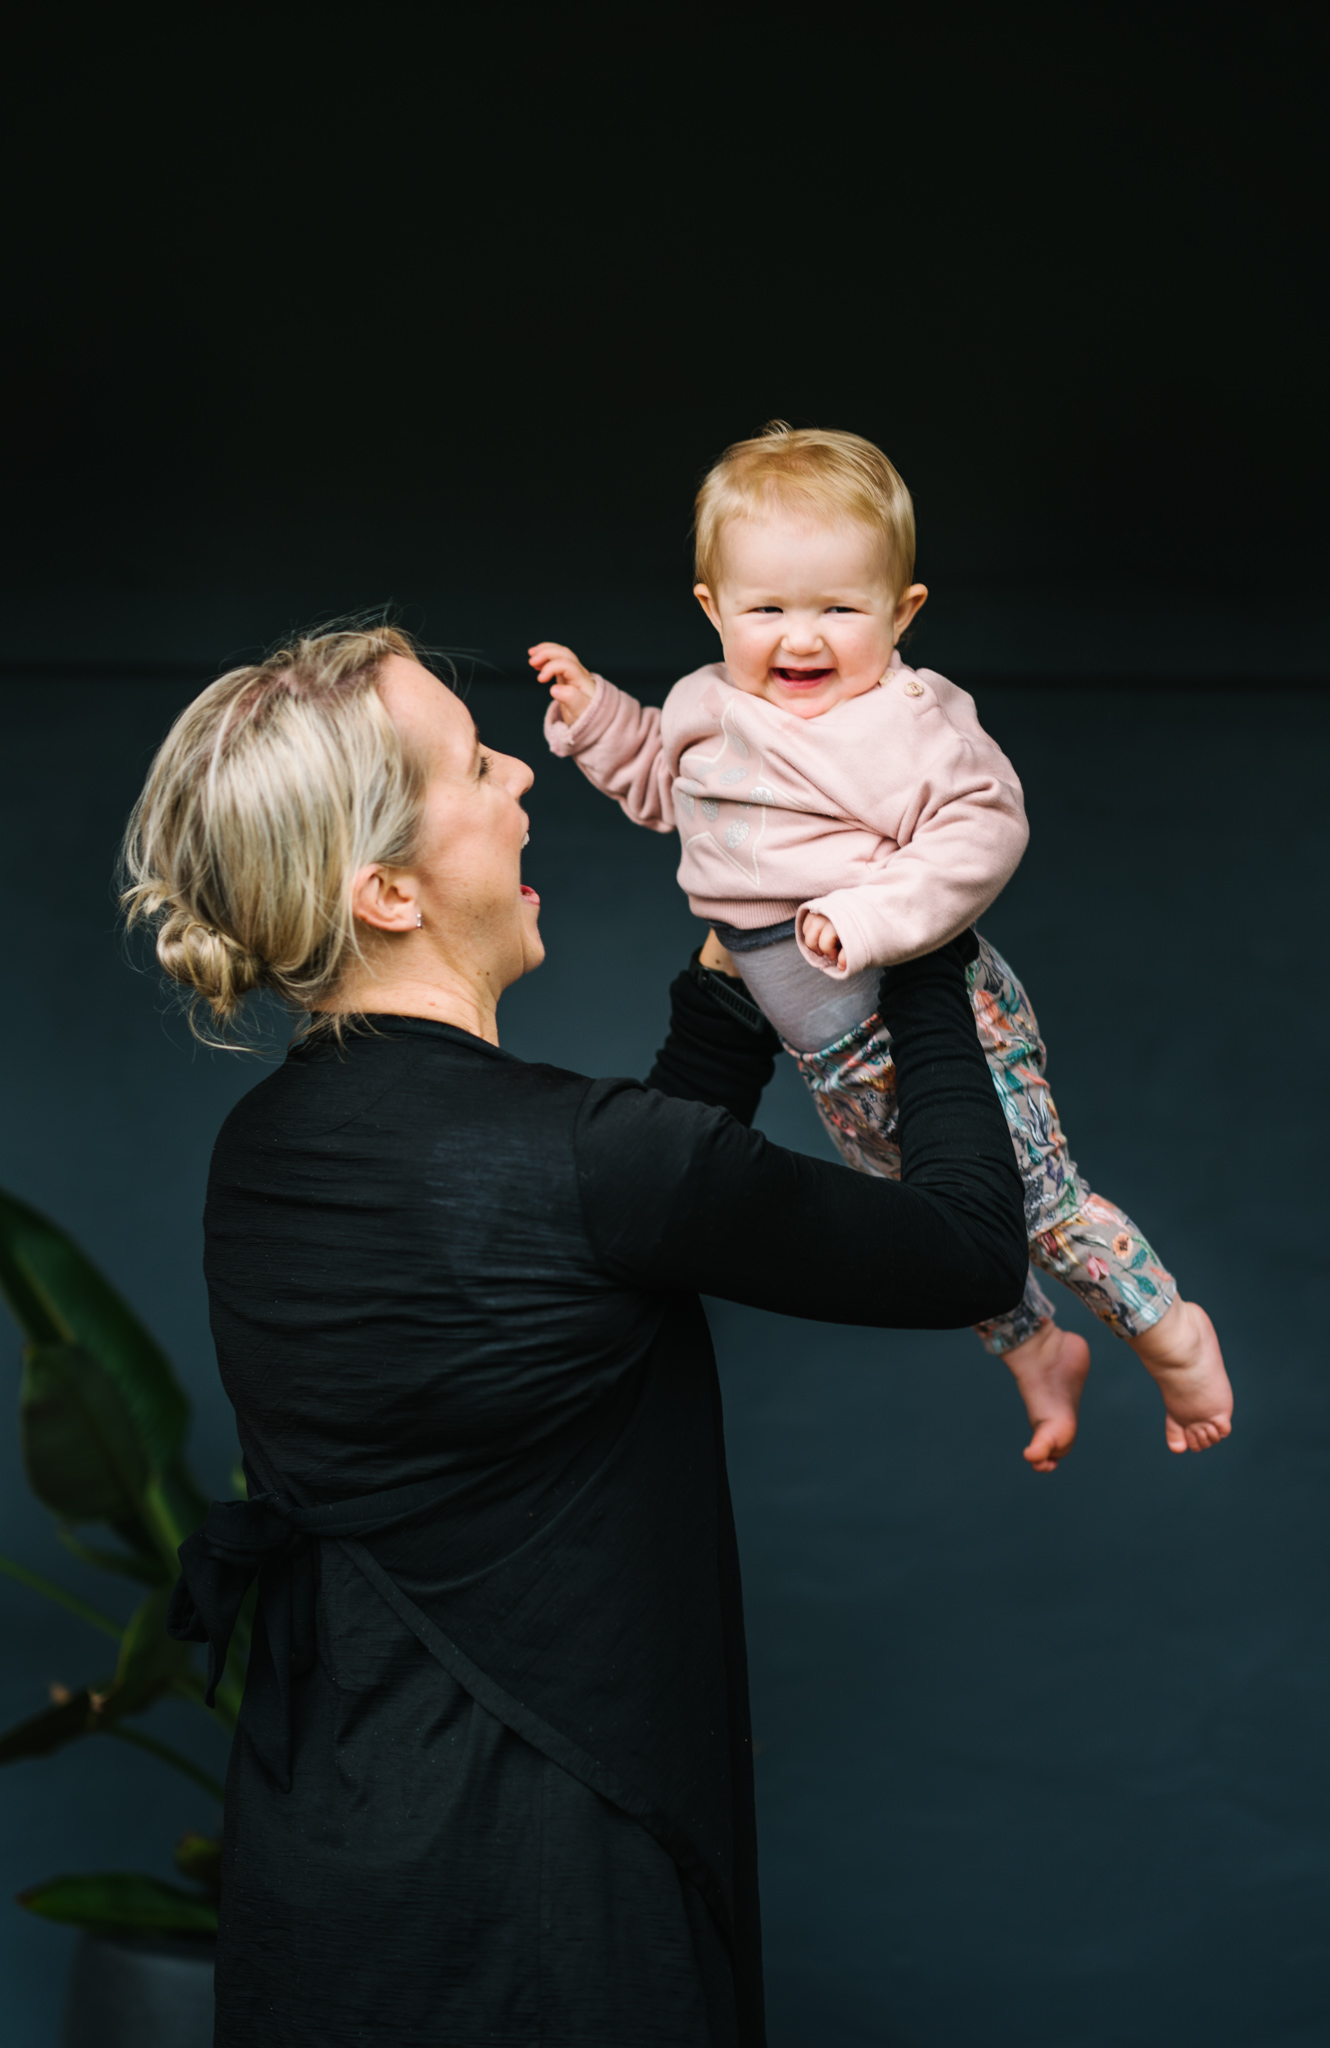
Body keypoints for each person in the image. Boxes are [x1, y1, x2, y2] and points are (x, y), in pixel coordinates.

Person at [120, 622, 1026, 2048]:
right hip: (555, 1905)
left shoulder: (272, 1149)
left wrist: (741, 963)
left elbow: (585, 1249)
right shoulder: (591, 1167)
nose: (521, 783)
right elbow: (971, 1246)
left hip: (333, 1865)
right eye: (477, 766)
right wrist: (920, 932)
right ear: (391, 890)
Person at [530, 422, 1234, 1474]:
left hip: (927, 1006)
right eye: (766, 607)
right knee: (931, 1220)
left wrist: (873, 917)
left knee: (1035, 1197)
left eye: (838, 608)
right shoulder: (703, 708)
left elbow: (984, 828)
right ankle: (1036, 1350)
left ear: (901, 613)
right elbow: (656, 788)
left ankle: (1171, 1329)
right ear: (712, 609)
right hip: (828, 1051)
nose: (800, 638)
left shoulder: (909, 721)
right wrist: (594, 719)